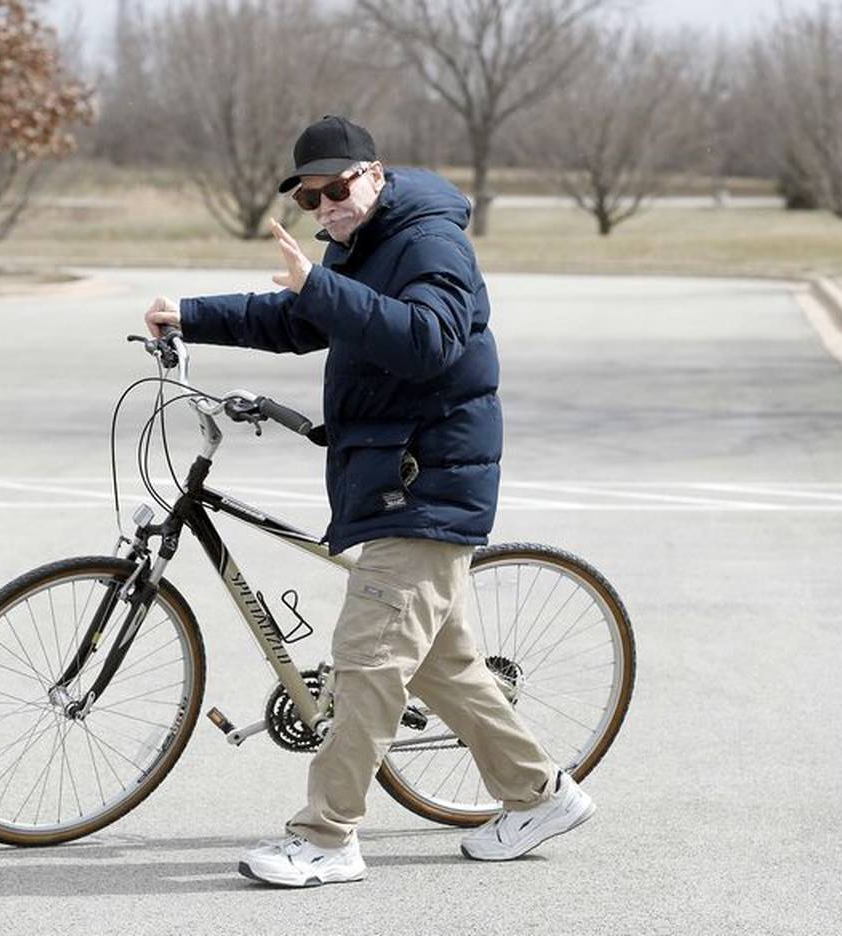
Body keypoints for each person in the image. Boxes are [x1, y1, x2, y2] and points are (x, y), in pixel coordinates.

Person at [143, 116, 594, 888]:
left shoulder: (428, 241)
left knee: (368, 660)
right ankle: (541, 795)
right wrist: (191, 314)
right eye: (308, 195)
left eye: (336, 186)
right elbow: (296, 318)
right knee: (441, 666)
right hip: (395, 477)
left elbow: (430, 341)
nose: (323, 205)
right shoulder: (360, 242)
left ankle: (326, 837)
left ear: (374, 173)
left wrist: (321, 285)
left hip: (428, 482)